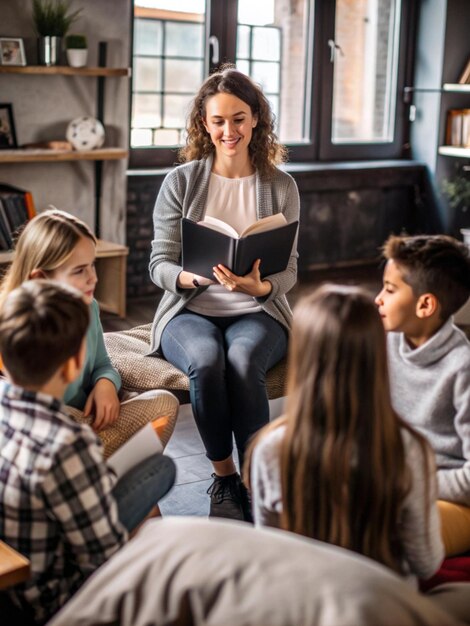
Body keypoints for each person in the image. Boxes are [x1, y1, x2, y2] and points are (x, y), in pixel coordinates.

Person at [149, 66, 300, 522]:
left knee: (242, 361)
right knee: (207, 362)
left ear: (255, 119)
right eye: (218, 120)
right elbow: (159, 264)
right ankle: (224, 478)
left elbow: (290, 268)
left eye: (238, 118)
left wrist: (263, 286)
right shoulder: (181, 182)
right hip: (190, 309)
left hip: (257, 310)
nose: (228, 130)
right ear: (204, 124)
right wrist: (193, 279)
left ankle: (256, 481)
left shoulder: (281, 185)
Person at [0, 280, 176, 624]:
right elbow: (102, 552)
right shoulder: (67, 442)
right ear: (71, 366)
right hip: (54, 597)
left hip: (13, 576)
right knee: (161, 469)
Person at [246, 285, 444, 582]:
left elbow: (271, 554)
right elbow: (426, 562)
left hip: (304, 607)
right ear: (377, 357)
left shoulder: (270, 448)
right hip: (384, 604)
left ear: (303, 358)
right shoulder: (408, 448)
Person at [0, 208, 179, 455]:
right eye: (79, 270)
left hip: (89, 420)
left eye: (93, 265)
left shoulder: (89, 307)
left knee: (164, 403)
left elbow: (103, 362)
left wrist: (106, 383)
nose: (93, 278)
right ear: (41, 277)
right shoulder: (11, 321)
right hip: (45, 432)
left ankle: (88, 465)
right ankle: (92, 467)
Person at [375, 234, 470, 557]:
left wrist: (405, 482)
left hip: (451, 500)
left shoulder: (463, 369)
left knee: (384, 531)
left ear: (426, 304)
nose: (378, 299)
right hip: (399, 483)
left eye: (389, 290)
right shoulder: (387, 344)